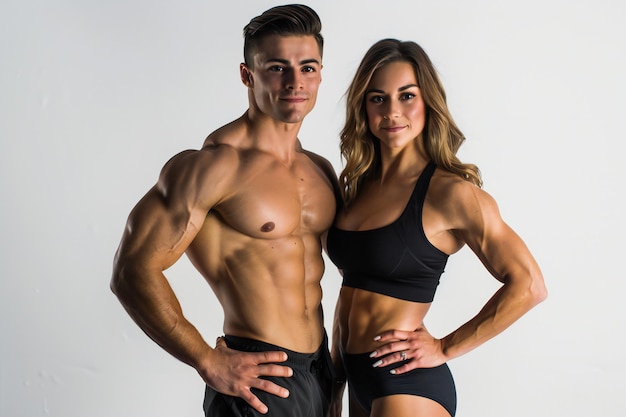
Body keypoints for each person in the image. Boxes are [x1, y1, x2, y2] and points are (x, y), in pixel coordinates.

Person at [110, 5, 340, 416]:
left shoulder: (319, 169)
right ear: (246, 75)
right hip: (258, 377)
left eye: (307, 68)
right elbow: (131, 270)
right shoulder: (214, 166)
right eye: (276, 68)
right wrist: (205, 358)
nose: (295, 82)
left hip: (321, 371)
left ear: (321, 72)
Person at [326, 39, 547, 417]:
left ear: (428, 100)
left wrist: (445, 347)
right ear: (363, 106)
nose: (392, 112)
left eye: (406, 96)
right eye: (378, 98)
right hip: (356, 379)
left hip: (406, 383)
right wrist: (335, 380)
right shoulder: (359, 186)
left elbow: (529, 285)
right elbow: (351, 289)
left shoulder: (451, 194)